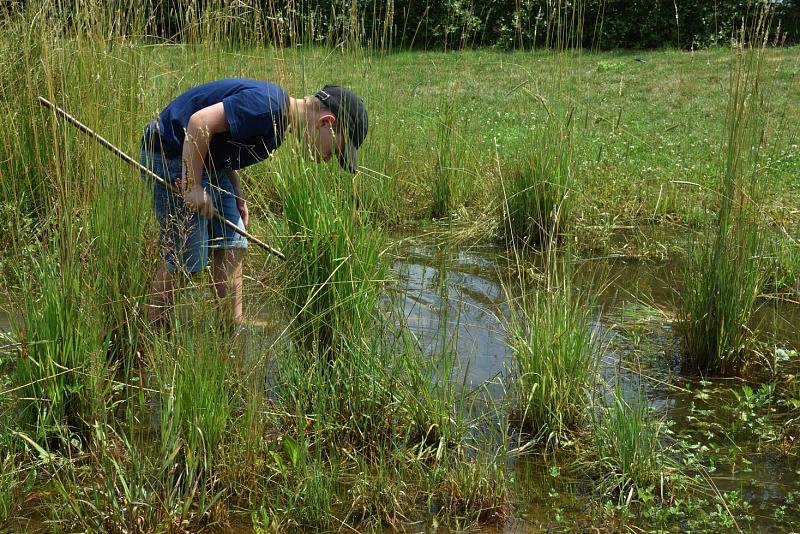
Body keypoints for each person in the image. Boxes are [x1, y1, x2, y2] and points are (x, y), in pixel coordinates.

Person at [139, 80, 369, 330]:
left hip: (210, 166)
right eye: (335, 152)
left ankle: (230, 325)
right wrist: (192, 185)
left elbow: (221, 144)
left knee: (234, 243)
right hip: (170, 153)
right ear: (326, 122)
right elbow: (199, 123)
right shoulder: (268, 105)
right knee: (188, 259)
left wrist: (236, 190)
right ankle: (153, 332)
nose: (328, 160)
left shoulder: (277, 130)